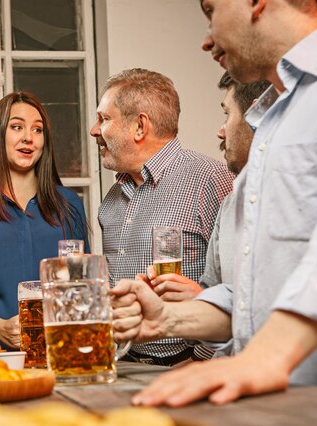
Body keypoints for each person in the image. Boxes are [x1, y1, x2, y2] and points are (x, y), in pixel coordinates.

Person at [112, 0, 317, 407]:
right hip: (271, 407)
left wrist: (265, 357)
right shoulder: (273, 120)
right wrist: (168, 319)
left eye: (210, 10)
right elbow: (256, 296)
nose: (205, 39)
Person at [92, 68, 233, 365]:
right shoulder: (112, 199)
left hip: (186, 365)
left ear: (140, 127)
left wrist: (198, 360)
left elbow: (237, 289)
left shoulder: (211, 179)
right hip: (120, 365)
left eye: (104, 119)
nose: (95, 130)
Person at [0, 91, 90, 348]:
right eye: (17, 127)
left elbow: (83, 285)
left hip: (60, 352)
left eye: (38, 130)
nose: (28, 137)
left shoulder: (69, 205)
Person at [144, 73, 270, 310]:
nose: (220, 132)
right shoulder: (231, 204)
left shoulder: (309, 200)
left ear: (258, 115)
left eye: (227, 114)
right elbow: (211, 293)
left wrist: (200, 300)